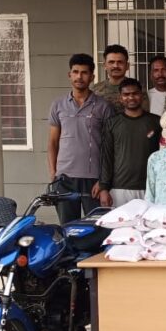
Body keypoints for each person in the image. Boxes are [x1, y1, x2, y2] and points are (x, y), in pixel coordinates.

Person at [47, 53, 114, 223]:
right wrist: (54, 174)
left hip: (94, 179)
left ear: (92, 77)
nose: (79, 76)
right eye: (75, 72)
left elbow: (110, 147)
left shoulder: (103, 106)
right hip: (65, 179)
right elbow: (53, 142)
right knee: (68, 228)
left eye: (84, 72)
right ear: (69, 75)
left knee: (96, 228)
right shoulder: (58, 105)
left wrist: (103, 181)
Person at [98, 78, 162, 208]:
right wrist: (104, 188)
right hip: (119, 188)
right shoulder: (112, 123)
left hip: (150, 188)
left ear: (142, 96)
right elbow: (106, 157)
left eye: (135, 93)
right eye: (126, 94)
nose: (131, 97)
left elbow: (163, 156)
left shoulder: (156, 122)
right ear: (120, 98)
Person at [90, 44, 133, 111]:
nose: (115, 66)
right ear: (105, 65)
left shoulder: (137, 90)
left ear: (127, 66)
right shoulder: (95, 91)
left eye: (120, 62)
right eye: (111, 62)